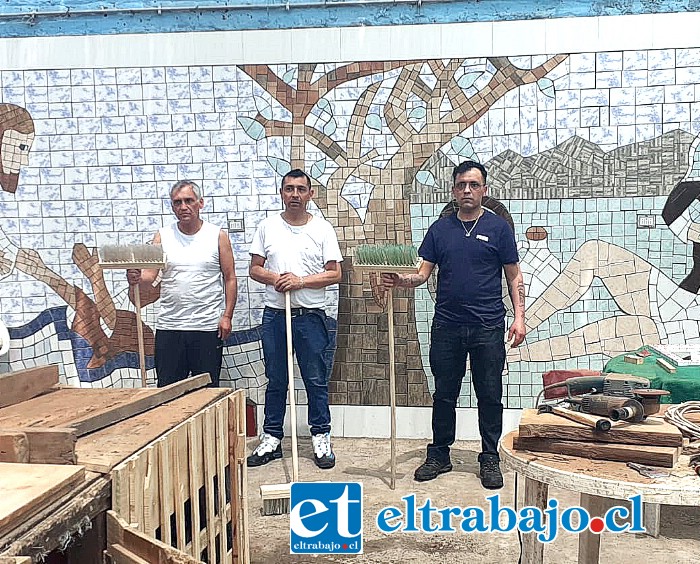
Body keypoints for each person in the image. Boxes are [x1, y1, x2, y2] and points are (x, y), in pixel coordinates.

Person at [382, 160, 526, 489]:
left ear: (484, 190)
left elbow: (513, 274)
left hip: (488, 327)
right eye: (461, 185)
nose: (467, 190)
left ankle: (490, 456)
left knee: (489, 395)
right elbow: (421, 274)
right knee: (444, 394)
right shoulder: (440, 229)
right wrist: (399, 280)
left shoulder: (499, 229)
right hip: (447, 326)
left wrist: (519, 316)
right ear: (453, 190)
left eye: (474, 185)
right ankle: (439, 454)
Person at [246, 169, 342, 470]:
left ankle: (320, 435)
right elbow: (255, 269)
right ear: (282, 193)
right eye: (289, 189)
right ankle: (272, 437)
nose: (295, 195)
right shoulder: (267, 227)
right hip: (275, 315)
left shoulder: (323, 229)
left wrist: (300, 281)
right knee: (276, 378)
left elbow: (335, 273)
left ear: (310, 194)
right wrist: (279, 278)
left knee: (315, 379)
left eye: (301, 189)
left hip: (310, 316)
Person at [127, 180, 237, 387]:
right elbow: (149, 278)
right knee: (168, 390)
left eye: (189, 201)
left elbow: (230, 277)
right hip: (170, 327)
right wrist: (134, 277)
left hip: (206, 327)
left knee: (207, 391)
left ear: (200, 203)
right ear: (172, 206)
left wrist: (227, 316)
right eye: (177, 202)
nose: (183, 207)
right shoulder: (162, 236)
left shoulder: (217, 236)